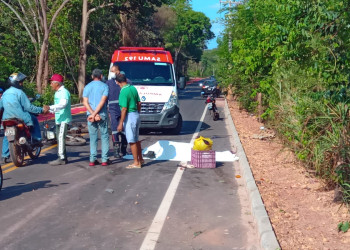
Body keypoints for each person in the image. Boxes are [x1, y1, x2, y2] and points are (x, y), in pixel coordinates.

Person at [0, 72, 49, 163]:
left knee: (8, 135)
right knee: (34, 119)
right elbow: (29, 107)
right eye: (20, 82)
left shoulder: (5, 94)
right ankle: (37, 139)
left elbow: (0, 108)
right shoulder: (20, 93)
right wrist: (41, 110)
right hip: (20, 117)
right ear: (15, 82)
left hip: (6, 119)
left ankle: (5, 155)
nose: (21, 84)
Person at [83, 69, 110, 166]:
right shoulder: (105, 86)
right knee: (104, 136)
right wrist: (96, 114)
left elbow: (85, 102)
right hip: (101, 114)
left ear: (92, 76)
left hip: (90, 115)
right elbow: (102, 102)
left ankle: (92, 159)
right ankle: (104, 159)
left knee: (93, 137)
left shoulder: (87, 87)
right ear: (101, 76)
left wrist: (92, 114)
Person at [116, 74, 144, 169]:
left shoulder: (123, 91)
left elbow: (124, 108)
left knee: (131, 140)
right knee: (136, 139)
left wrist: (120, 123)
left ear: (118, 82)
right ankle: (140, 159)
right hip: (135, 114)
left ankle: (136, 162)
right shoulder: (133, 88)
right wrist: (138, 112)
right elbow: (139, 103)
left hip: (129, 116)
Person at [47, 74, 72, 165]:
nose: (50, 85)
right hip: (59, 119)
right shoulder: (58, 92)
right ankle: (63, 156)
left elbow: (63, 104)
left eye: (52, 83)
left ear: (57, 83)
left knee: (61, 138)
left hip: (63, 119)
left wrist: (50, 107)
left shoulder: (64, 92)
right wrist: (50, 110)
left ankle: (61, 158)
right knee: (59, 138)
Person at [106, 65, 127, 158]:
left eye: (113, 71)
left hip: (123, 108)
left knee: (124, 129)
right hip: (113, 109)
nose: (112, 73)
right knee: (114, 129)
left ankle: (124, 148)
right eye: (111, 71)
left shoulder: (127, 82)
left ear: (118, 71)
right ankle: (116, 150)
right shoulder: (108, 83)